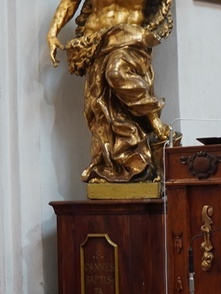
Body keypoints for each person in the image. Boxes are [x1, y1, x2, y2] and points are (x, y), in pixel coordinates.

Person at [47, 0, 172, 183]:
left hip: (130, 38)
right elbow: (69, 2)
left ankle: (153, 119)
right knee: (100, 109)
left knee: (117, 72)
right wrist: (52, 32)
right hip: (95, 43)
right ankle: (112, 166)